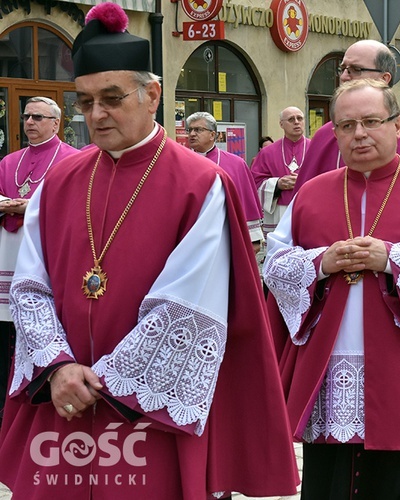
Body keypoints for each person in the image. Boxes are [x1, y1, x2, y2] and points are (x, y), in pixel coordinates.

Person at [0, 4, 298, 498]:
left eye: (112, 98)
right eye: (85, 101)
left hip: (145, 413)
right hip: (64, 399)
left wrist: (102, 383)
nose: (96, 114)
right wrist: (57, 367)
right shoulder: (59, 182)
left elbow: (189, 305)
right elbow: (31, 286)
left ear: (152, 94)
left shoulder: (201, 183)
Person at [264, 79, 400, 498]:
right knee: (329, 477)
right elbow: (274, 265)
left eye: (370, 121)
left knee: (395, 474)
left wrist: (394, 259)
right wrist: (319, 263)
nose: (358, 133)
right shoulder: (311, 193)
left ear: (397, 126)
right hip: (330, 362)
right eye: (345, 126)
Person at [0, 97, 79, 423]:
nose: (30, 122)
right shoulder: (8, 162)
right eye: (27, 116)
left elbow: (74, 206)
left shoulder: (73, 160)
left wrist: (28, 207)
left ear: (55, 123)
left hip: (47, 249)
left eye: (37, 117)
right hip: (7, 247)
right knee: (6, 329)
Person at [293, 39, 400, 192]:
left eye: (355, 69)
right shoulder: (324, 137)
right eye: (342, 69)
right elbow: (303, 204)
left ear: (384, 79)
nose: (344, 76)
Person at [185, 111, 264, 252]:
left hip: (226, 235)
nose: (192, 134)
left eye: (198, 130)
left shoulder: (236, 164)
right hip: (191, 236)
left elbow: (246, 201)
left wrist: (254, 239)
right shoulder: (181, 162)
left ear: (213, 135)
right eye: (189, 130)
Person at [251, 106, 310, 239]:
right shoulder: (267, 153)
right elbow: (254, 183)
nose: (296, 122)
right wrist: (277, 184)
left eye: (299, 118)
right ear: (281, 124)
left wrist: (305, 181)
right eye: (291, 119)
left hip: (309, 209)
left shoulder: (316, 149)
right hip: (278, 212)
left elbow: (327, 178)